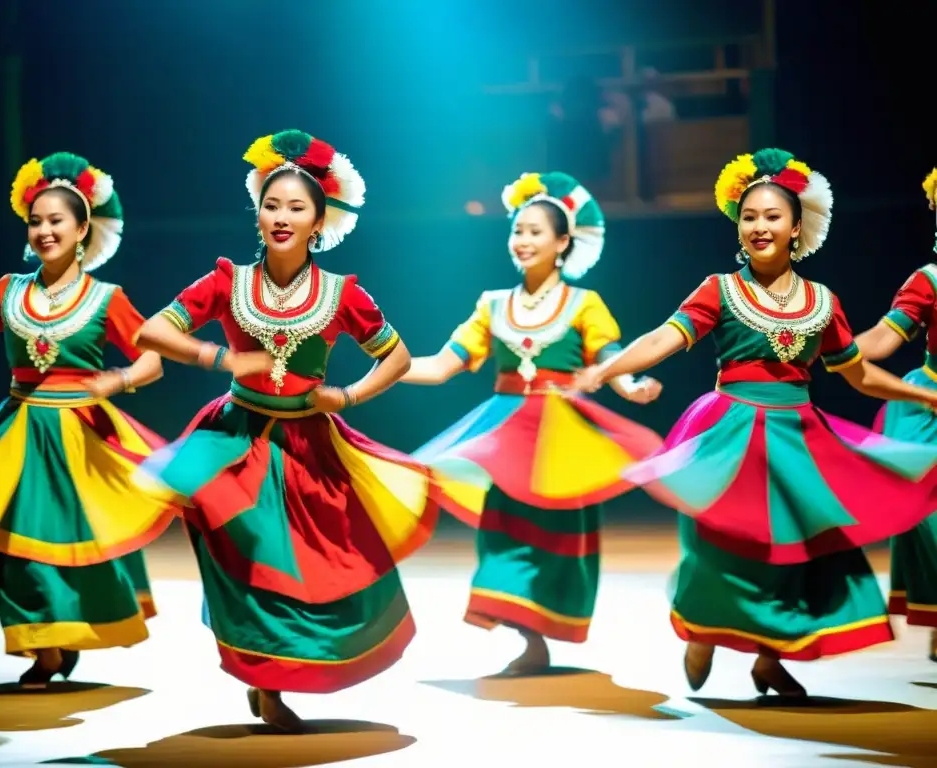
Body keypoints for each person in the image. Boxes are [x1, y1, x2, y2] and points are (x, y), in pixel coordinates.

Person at [574, 148, 937, 696]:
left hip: (796, 435)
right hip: (732, 431)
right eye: (749, 217)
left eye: (772, 216)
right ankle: (703, 631)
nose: (760, 226)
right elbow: (660, 340)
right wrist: (608, 369)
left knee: (789, 552)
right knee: (719, 542)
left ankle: (769, 659)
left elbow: (859, 376)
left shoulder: (822, 302)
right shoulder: (719, 290)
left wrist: (924, 397)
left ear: (797, 228)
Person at [133, 129, 438, 730]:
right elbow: (151, 332)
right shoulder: (226, 282)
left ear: (319, 222)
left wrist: (347, 395)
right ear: (257, 214)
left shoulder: (341, 294)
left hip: (308, 445)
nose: (281, 216)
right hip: (236, 441)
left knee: (322, 565)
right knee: (251, 558)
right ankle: (264, 678)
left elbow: (397, 357)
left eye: (296, 207)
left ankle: (285, 669)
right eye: (271, 205)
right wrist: (219, 360)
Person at [0, 152, 176, 686]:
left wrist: (117, 381)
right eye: (36, 221)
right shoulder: (7, 291)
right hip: (17, 431)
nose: (44, 230)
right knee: (3, 540)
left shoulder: (107, 298)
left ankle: (59, 642)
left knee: (80, 542)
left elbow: (152, 360)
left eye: (56, 220)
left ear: (83, 229)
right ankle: (44, 645)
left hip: (82, 437)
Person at [401, 171, 664, 673]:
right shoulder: (492, 304)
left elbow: (608, 360)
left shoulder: (584, 304)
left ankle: (542, 628)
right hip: (506, 437)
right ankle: (527, 637)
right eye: (517, 231)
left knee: (560, 535)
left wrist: (631, 387)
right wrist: (381, 371)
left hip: (561, 437)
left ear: (563, 242)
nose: (522, 241)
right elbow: (440, 365)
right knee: (505, 532)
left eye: (535, 231)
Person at [853, 166, 937, 662]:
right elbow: (884, 340)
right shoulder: (929, 279)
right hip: (927, 403)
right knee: (925, 513)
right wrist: (828, 346)